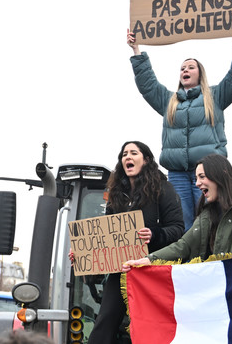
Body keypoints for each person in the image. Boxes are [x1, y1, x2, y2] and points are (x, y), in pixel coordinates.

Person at [127, 22, 232, 231]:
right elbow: (148, 84)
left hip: (208, 171)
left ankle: (213, 251)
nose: (185, 70)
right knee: (182, 221)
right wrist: (136, 50)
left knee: (211, 217)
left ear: (200, 73)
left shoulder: (215, 96)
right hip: (177, 173)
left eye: (191, 67)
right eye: (182, 68)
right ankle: (187, 253)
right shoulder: (169, 101)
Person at [80, 141, 184, 344]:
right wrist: (84, 253)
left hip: (151, 270)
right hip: (122, 271)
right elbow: (106, 236)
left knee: (149, 327)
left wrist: (154, 234)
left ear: (146, 160)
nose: (128, 156)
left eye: (133, 153)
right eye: (124, 154)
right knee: (104, 322)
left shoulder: (163, 189)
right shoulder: (115, 194)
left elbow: (178, 228)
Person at [122, 153, 232, 268]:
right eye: (196, 178)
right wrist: (148, 260)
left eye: (202, 177)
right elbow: (183, 246)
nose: (197, 183)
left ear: (222, 174)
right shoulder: (206, 215)